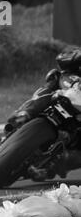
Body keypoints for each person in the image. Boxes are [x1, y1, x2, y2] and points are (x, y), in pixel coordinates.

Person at [8, 48, 81, 180]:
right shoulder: (73, 71)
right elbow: (63, 57)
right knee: (54, 78)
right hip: (68, 95)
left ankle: (49, 167)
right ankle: (24, 113)